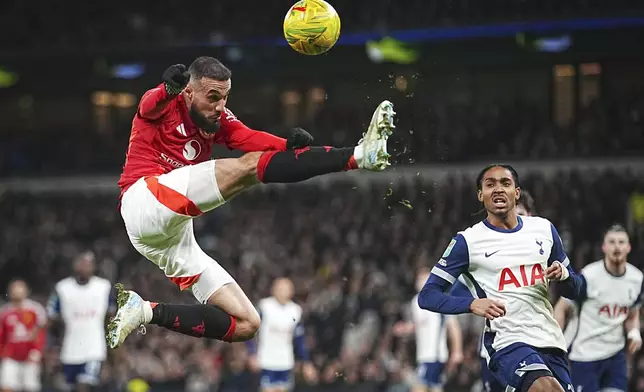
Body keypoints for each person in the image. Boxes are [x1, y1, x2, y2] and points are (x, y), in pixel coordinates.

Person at [108, 56, 396, 349]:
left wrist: (287, 145)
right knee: (247, 168)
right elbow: (148, 106)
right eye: (213, 97)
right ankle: (359, 155)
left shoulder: (216, 120)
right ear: (188, 92)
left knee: (248, 323)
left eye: (224, 97)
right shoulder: (163, 105)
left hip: (169, 235)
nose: (220, 106)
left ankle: (144, 310)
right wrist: (166, 89)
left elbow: (247, 136)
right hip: (142, 201)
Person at [417, 164, 584, 392]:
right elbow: (427, 296)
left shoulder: (544, 230)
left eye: (505, 183)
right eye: (490, 184)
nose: (498, 189)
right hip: (508, 343)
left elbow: (575, 291)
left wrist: (564, 275)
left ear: (516, 192)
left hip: (551, 342)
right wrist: (472, 304)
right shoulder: (468, 241)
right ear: (480, 195)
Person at [449, 190, 536, 392]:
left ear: (531, 218)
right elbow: (451, 295)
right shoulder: (485, 258)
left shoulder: (545, 252)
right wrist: (473, 306)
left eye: (520, 215)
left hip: (535, 347)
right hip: (496, 352)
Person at [554, 225, 643, 392]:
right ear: (604, 247)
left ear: (628, 247)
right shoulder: (589, 277)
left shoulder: (637, 279)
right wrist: (555, 341)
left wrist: (634, 332)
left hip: (615, 356)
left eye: (621, 242)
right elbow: (561, 307)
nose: (617, 247)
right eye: (612, 242)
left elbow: (632, 315)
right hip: (584, 356)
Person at [47, 251, 115, 392]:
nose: (84, 267)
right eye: (81, 263)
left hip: (94, 347)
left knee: (84, 386)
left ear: (94, 266)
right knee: (69, 387)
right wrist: (53, 345)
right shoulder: (62, 288)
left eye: (88, 264)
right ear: (75, 265)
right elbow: (52, 316)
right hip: (69, 348)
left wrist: (113, 347)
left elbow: (111, 316)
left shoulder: (103, 287)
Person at [392, 267, 464, 392]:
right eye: (419, 279)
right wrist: (405, 328)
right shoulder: (416, 302)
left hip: (435, 355)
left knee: (419, 387)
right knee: (434, 388)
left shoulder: (439, 299)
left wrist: (457, 351)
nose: (420, 282)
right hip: (423, 355)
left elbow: (453, 326)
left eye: (424, 278)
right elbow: (420, 325)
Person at [247, 278, 317, 392]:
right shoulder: (265, 307)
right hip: (266, 361)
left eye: (285, 289)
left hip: (285, 362)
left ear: (291, 291)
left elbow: (299, 338)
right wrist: (252, 352)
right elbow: (249, 327)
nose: (282, 292)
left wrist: (306, 362)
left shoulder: (295, 310)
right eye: (279, 289)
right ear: (273, 290)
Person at [0, 280, 47, 392]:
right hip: (10, 356)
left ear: (26, 291)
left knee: (30, 387)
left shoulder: (35, 309)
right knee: (7, 386)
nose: (17, 293)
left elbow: (41, 331)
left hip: (30, 356)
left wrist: (38, 351)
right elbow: (2, 335)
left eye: (20, 289)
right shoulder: (4, 312)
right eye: (14, 290)